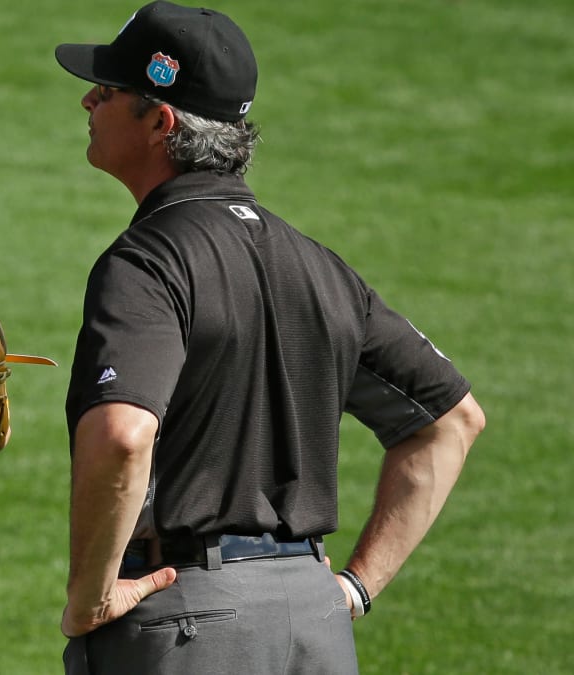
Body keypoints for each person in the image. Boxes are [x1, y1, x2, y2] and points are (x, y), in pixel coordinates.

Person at [52, 2, 486, 673]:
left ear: (159, 121)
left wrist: (90, 595)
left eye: (106, 91)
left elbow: (122, 435)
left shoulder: (145, 262)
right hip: (315, 625)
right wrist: (355, 586)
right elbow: (451, 421)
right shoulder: (321, 268)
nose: (87, 99)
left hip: (186, 624)